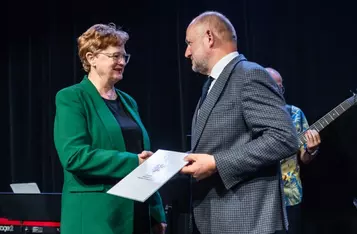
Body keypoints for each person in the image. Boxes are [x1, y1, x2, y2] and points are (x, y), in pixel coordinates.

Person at [180, 11, 299, 234]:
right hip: (220, 218)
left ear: (209, 38)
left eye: (189, 43)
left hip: (247, 220)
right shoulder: (214, 84)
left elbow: (284, 138)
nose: (187, 52)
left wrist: (217, 163)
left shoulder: (249, 75)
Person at [53, 23, 166, 234]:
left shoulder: (128, 102)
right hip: (96, 217)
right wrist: (134, 162)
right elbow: (74, 156)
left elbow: (145, 159)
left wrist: (156, 211)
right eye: (115, 56)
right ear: (91, 58)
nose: (122, 62)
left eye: (124, 56)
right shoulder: (72, 97)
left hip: (137, 214)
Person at [265, 67, 321, 234]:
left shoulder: (295, 114)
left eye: (281, 87)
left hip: (290, 195)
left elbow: (304, 159)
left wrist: (311, 150)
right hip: (261, 198)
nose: (278, 91)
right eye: (274, 86)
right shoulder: (251, 115)